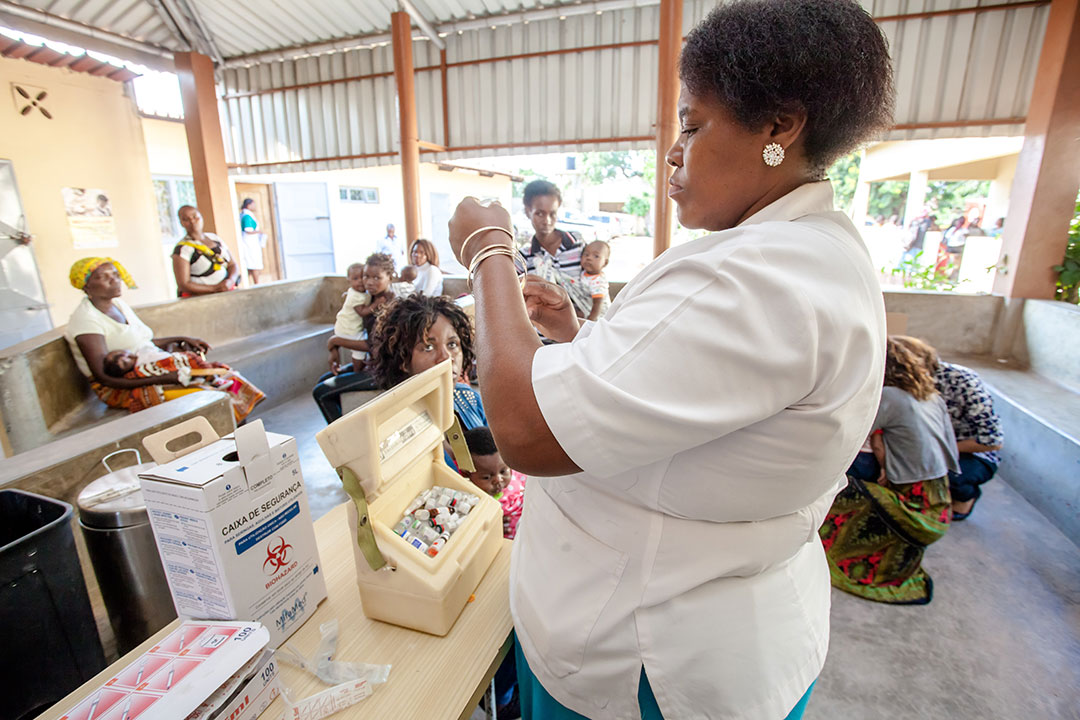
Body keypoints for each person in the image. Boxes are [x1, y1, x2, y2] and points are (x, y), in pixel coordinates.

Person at [444, 0, 894, 716]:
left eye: (693, 123)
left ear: (779, 126)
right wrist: (579, 337)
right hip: (722, 622)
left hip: (649, 658)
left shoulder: (754, 275)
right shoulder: (811, 250)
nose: (673, 152)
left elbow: (527, 431)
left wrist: (486, 253)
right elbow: (683, 392)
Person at [821, 337, 959, 605]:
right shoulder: (930, 395)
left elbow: (851, 435)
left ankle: (841, 560)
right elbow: (950, 449)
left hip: (914, 501)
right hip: (940, 498)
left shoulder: (889, 397)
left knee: (837, 487)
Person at [64, 257, 220, 415]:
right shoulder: (86, 320)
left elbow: (141, 342)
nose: (115, 280)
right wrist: (164, 378)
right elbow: (104, 378)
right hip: (122, 385)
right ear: (86, 285)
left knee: (222, 377)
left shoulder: (118, 305)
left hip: (145, 367)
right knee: (209, 393)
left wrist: (180, 339)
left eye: (116, 274)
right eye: (104, 277)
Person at [893, 336, 1003, 520]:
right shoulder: (903, 383)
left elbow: (993, 441)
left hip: (969, 452)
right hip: (923, 445)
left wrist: (940, 449)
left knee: (951, 476)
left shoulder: (963, 380)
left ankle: (965, 497)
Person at [313, 254, 406, 423]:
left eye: (377, 277)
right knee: (323, 380)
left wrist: (334, 342)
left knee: (321, 392)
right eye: (366, 276)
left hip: (386, 372)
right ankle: (347, 428)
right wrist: (334, 348)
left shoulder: (389, 304)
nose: (369, 282)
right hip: (374, 364)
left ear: (390, 277)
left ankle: (342, 440)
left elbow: (375, 346)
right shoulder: (371, 298)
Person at [102, 348, 264, 423]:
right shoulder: (136, 372)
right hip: (169, 380)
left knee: (230, 375)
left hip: (179, 367)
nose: (122, 358)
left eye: (120, 355)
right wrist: (166, 375)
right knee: (210, 394)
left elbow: (163, 352)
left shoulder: (142, 351)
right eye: (120, 362)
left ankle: (243, 409)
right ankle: (233, 421)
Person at [519, 180, 593, 317]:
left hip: (581, 331)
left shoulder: (577, 245)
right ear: (528, 211)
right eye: (539, 214)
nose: (547, 220)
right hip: (541, 336)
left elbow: (596, 281)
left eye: (552, 214)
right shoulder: (523, 258)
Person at [460, 426, 527, 540]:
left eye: (503, 471)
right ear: (467, 474)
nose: (498, 480)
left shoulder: (519, 475)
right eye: (487, 477)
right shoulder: (473, 501)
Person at [172, 205, 240, 297]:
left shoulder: (215, 238)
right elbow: (184, 284)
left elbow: (232, 264)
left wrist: (231, 281)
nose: (192, 221)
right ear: (181, 223)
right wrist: (215, 288)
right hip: (201, 298)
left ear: (201, 217)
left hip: (226, 293)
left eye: (195, 216)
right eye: (186, 219)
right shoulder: (182, 249)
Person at [331, 262, 371, 374]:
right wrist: (376, 304)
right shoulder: (355, 295)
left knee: (360, 351)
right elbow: (362, 312)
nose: (360, 281)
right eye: (355, 278)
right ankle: (357, 372)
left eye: (362, 277)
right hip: (348, 329)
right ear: (348, 280)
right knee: (359, 352)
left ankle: (357, 368)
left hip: (346, 326)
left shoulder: (354, 291)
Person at [576, 240, 611, 321]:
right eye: (586, 254)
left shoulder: (598, 281)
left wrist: (591, 320)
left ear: (605, 263)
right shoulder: (584, 273)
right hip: (587, 307)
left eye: (596, 256)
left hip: (599, 315)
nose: (589, 258)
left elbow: (598, 303)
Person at [239, 198, 266, 286]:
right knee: (253, 264)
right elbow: (248, 230)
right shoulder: (246, 216)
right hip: (249, 243)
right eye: (253, 204)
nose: (255, 206)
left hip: (251, 242)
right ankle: (256, 283)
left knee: (251, 264)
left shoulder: (245, 214)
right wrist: (259, 232)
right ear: (249, 205)